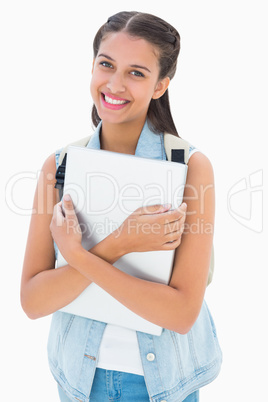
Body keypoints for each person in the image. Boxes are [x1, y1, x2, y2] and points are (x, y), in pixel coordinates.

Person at [21, 11, 222, 402]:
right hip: (80, 382)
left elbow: (180, 315)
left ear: (161, 85)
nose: (114, 84)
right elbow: (32, 301)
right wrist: (117, 244)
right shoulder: (60, 166)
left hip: (163, 386)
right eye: (106, 64)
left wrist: (80, 256)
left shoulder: (189, 169)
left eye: (136, 73)